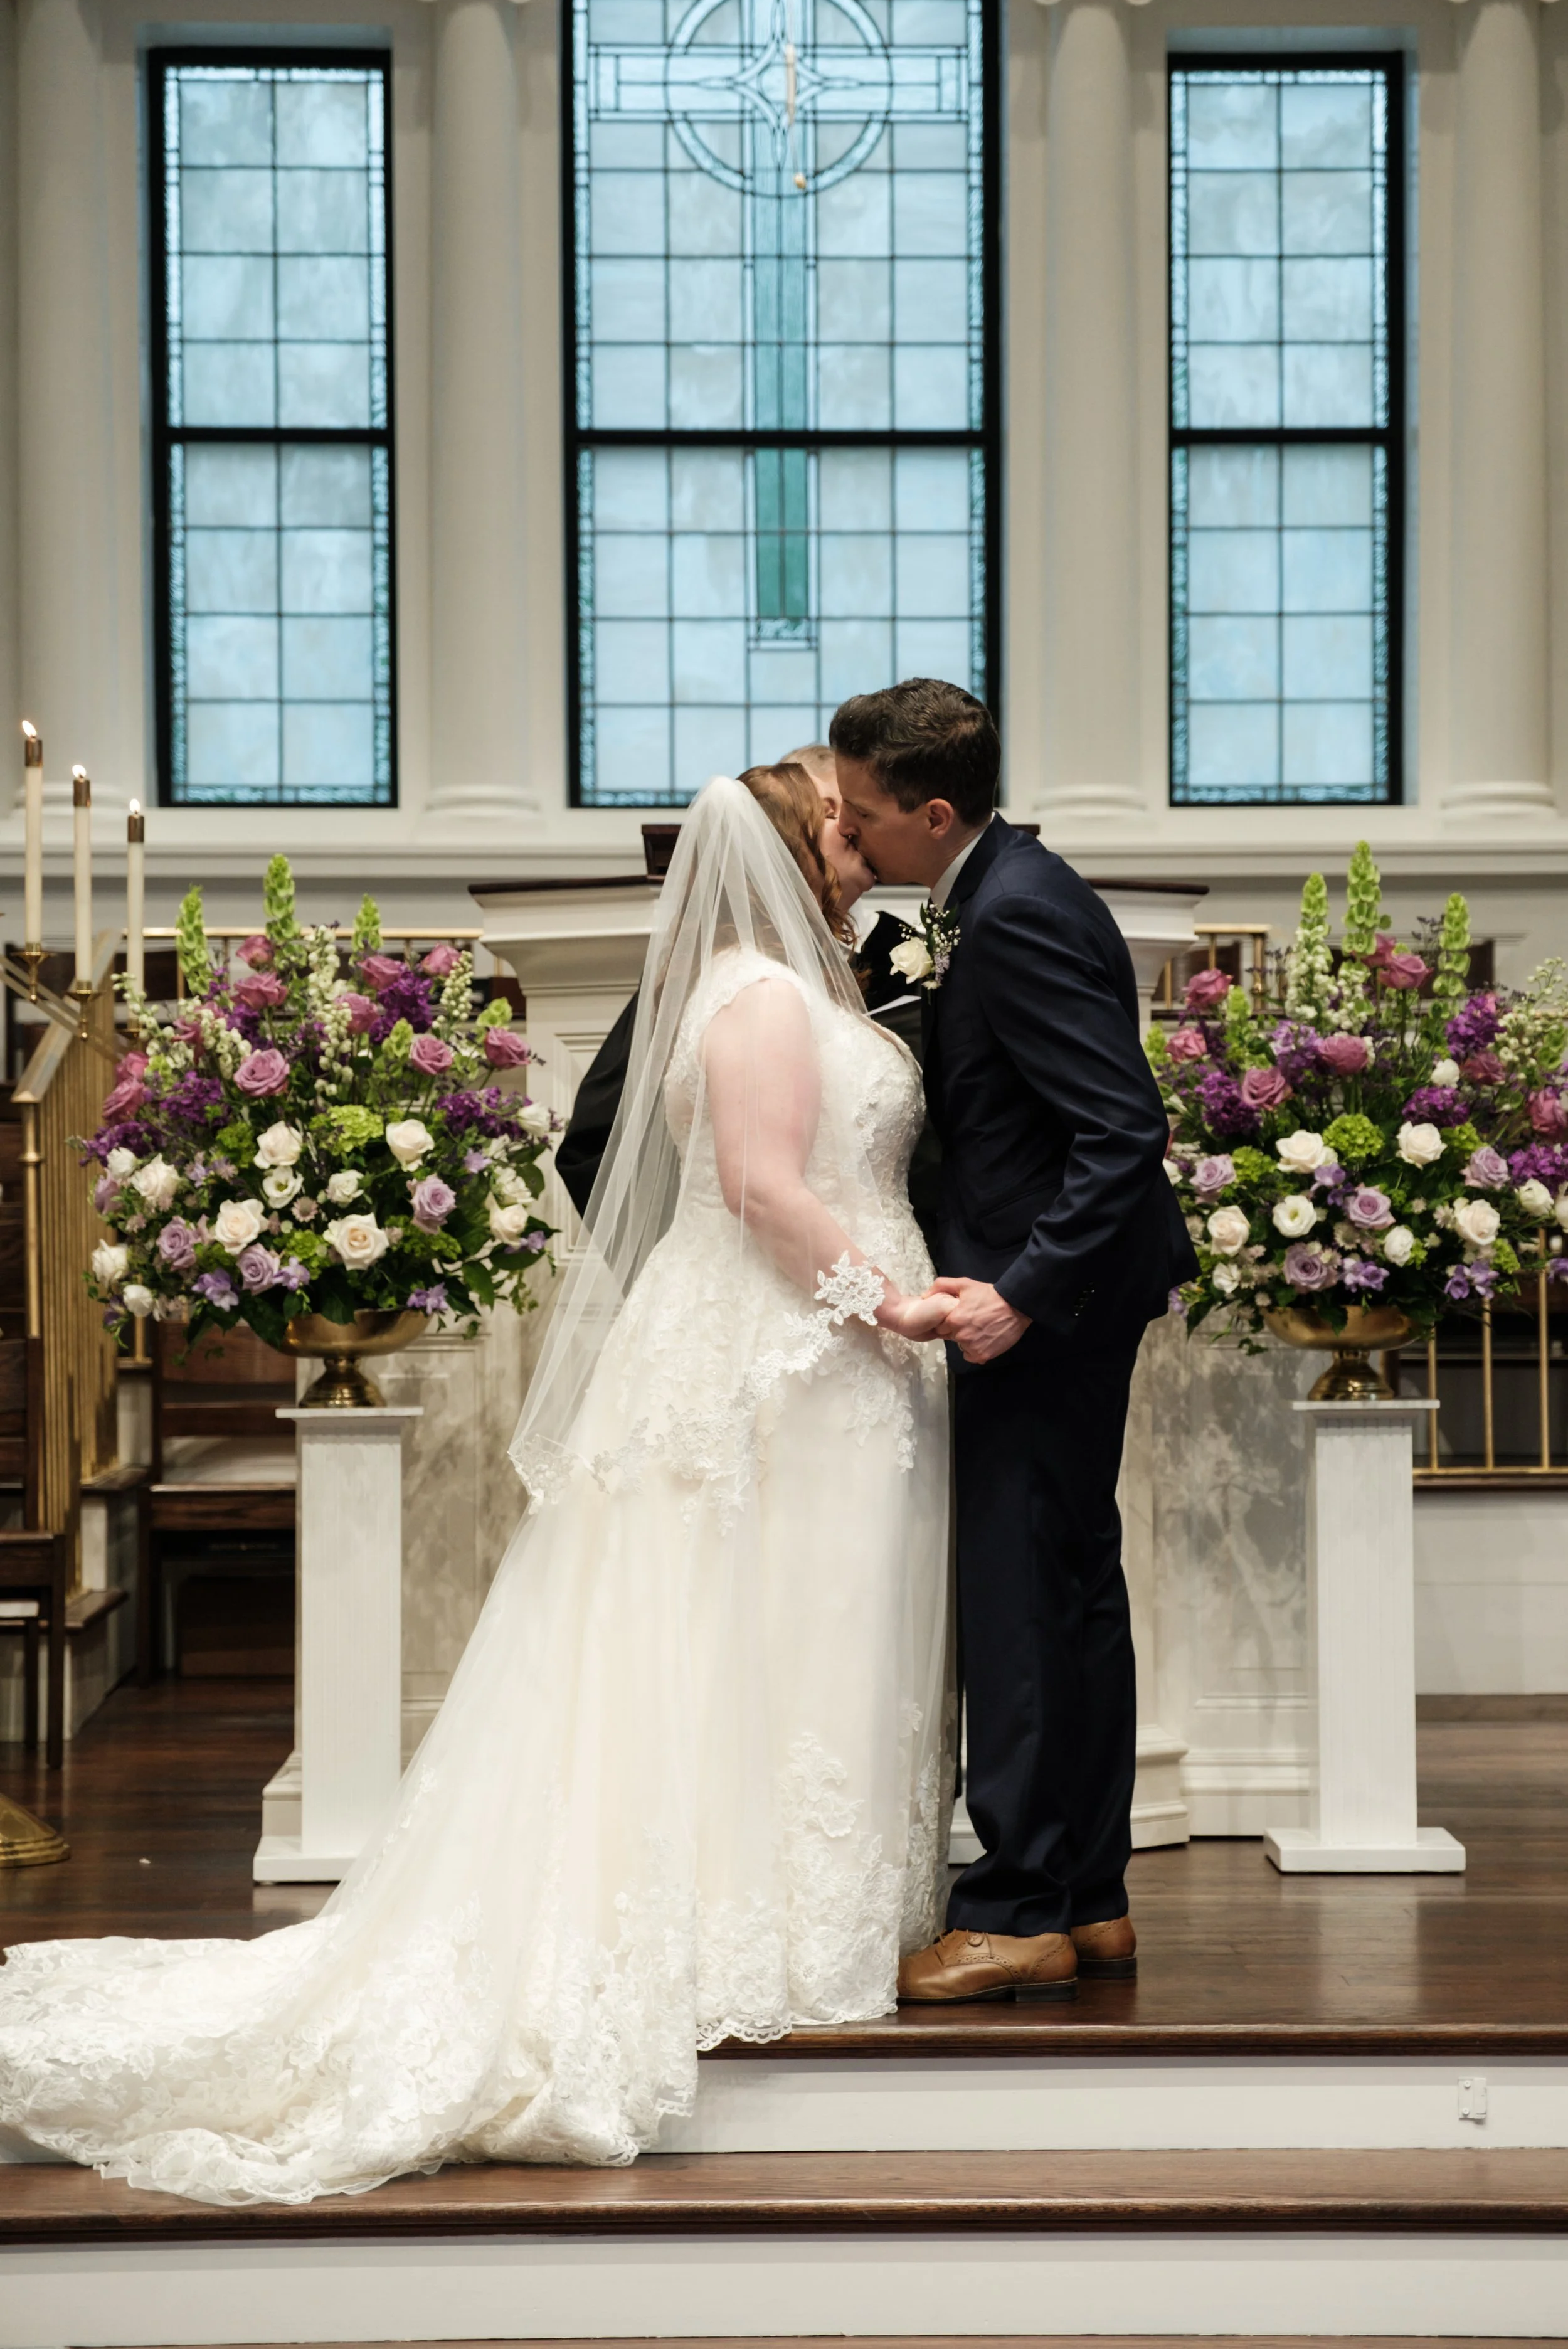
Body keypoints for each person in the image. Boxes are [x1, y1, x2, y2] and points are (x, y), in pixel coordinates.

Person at [0, 766, 951, 2202]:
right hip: (789, 1352)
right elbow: (759, 1183)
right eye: (828, 821)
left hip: (813, 1354)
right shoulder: (758, 996)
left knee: (792, 1639)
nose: (849, 837)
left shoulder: (781, 985)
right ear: (775, 844)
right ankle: (751, 1933)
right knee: (766, 1635)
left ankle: (800, 1921)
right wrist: (895, 1302)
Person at [832, 679, 1198, 2004]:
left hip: (1045, 1309)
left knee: (1021, 1605)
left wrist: (1020, 1291)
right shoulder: (994, 890)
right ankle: (1089, 1893)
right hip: (1069, 1297)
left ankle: (1017, 1908)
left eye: (867, 816)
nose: (853, 837)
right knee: (1068, 1588)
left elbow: (1119, 1128)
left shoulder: (1017, 915)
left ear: (936, 813)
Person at [555, 746, 928, 1225]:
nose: (854, 828)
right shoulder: (727, 973)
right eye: (831, 810)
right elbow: (598, 1139)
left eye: (859, 814)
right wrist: (700, 1261)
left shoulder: (900, 951)